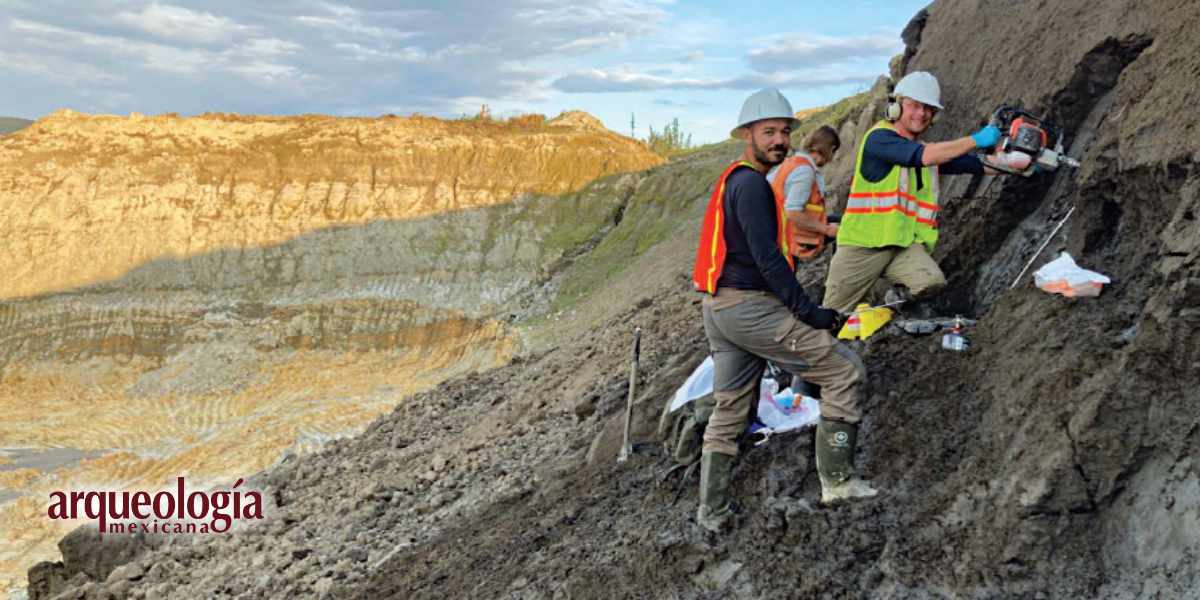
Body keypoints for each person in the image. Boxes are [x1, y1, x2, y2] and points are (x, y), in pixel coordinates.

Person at [691, 88, 877, 534]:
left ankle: (712, 513)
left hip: (719, 309)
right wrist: (810, 312)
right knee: (844, 371)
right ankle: (838, 482)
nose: (779, 140)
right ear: (747, 135)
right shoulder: (753, 185)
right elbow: (769, 260)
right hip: (750, 308)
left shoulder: (735, 180)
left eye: (784, 132)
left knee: (730, 408)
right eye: (768, 132)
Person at [823, 71, 1003, 314]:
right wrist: (977, 139)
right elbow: (924, 156)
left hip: (901, 245)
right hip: (862, 247)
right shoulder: (879, 139)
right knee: (831, 318)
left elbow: (969, 163)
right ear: (896, 107)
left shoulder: (922, 150)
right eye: (915, 105)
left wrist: (1012, 164)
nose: (922, 113)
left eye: (928, 109)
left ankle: (892, 306)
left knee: (930, 282)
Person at [767, 125, 841, 262]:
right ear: (831, 150)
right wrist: (826, 229)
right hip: (790, 240)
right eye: (833, 153)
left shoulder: (790, 163)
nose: (832, 159)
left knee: (838, 220)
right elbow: (792, 213)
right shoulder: (805, 171)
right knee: (843, 227)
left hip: (778, 234)